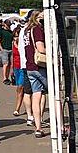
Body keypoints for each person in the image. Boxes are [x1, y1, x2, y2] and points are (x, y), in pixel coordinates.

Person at [24, 10, 47, 139]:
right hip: (39, 66)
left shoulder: (27, 30)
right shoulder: (37, 29)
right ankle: (60, 126)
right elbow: (40, 48)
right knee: (56, 94)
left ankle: (38, 127)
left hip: (29, 66)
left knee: (36, 96)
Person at [0, 20, 14, 84]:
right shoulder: (0, 31)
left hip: (11, 49)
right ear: (4, 24)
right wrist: (1, 49)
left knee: (10, 65)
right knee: (5, 64)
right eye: (8, 25)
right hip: (4, 49)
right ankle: (4, 78)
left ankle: (7, 77)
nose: (9, 26)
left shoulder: (11, 32)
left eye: (10, 25)